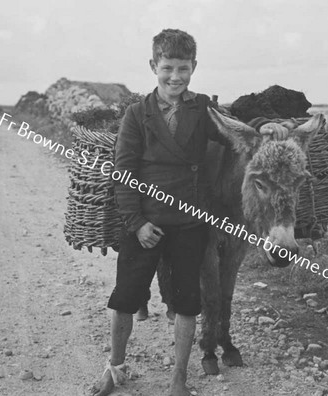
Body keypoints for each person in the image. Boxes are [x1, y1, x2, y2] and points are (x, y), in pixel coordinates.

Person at [90, 28, 223, 396]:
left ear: (194, 66)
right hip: (143, 223)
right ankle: (115, 368)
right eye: (167, 68)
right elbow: (124, 172)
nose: (175, 77)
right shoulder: (137, 114)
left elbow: (232, 138)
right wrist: (136, 223)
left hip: (189, 223)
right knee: (125, 297)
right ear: (153, 66)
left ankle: (179, 378)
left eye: (183, 68)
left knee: (186, 302)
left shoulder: (204, 111)